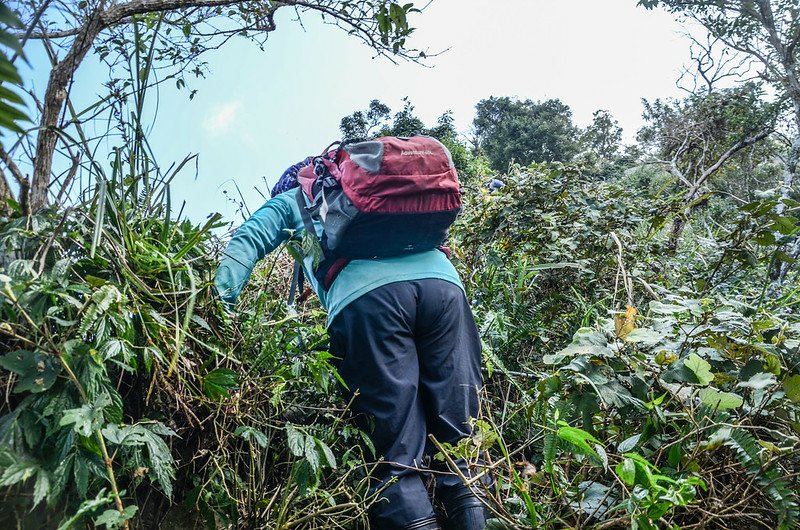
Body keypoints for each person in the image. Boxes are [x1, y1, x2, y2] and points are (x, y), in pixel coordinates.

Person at [215, 158, 489, 530]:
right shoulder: (371, 194)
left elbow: (248, 240)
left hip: (369, 302)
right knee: (463, 434)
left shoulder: (293, 199)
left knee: (393, 452)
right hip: (445, 291)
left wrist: (220, 306)